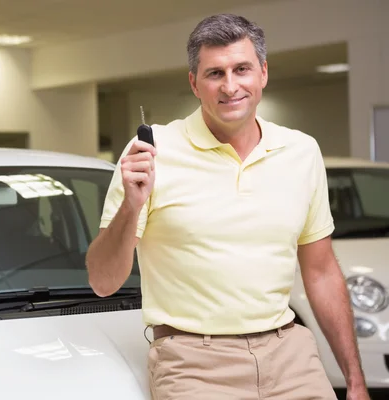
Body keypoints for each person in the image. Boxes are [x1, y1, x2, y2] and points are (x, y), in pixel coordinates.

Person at [85, 13, 370, 400]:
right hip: (193, 363)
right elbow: (103, 282)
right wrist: (131, 206)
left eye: (242, 69)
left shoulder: (302, 151)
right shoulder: (152, 154)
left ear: (263, 73)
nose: (230, 86)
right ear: (194, 83)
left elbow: (320, 273)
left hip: (289, 353)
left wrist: (354, 381)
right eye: (215, 73)